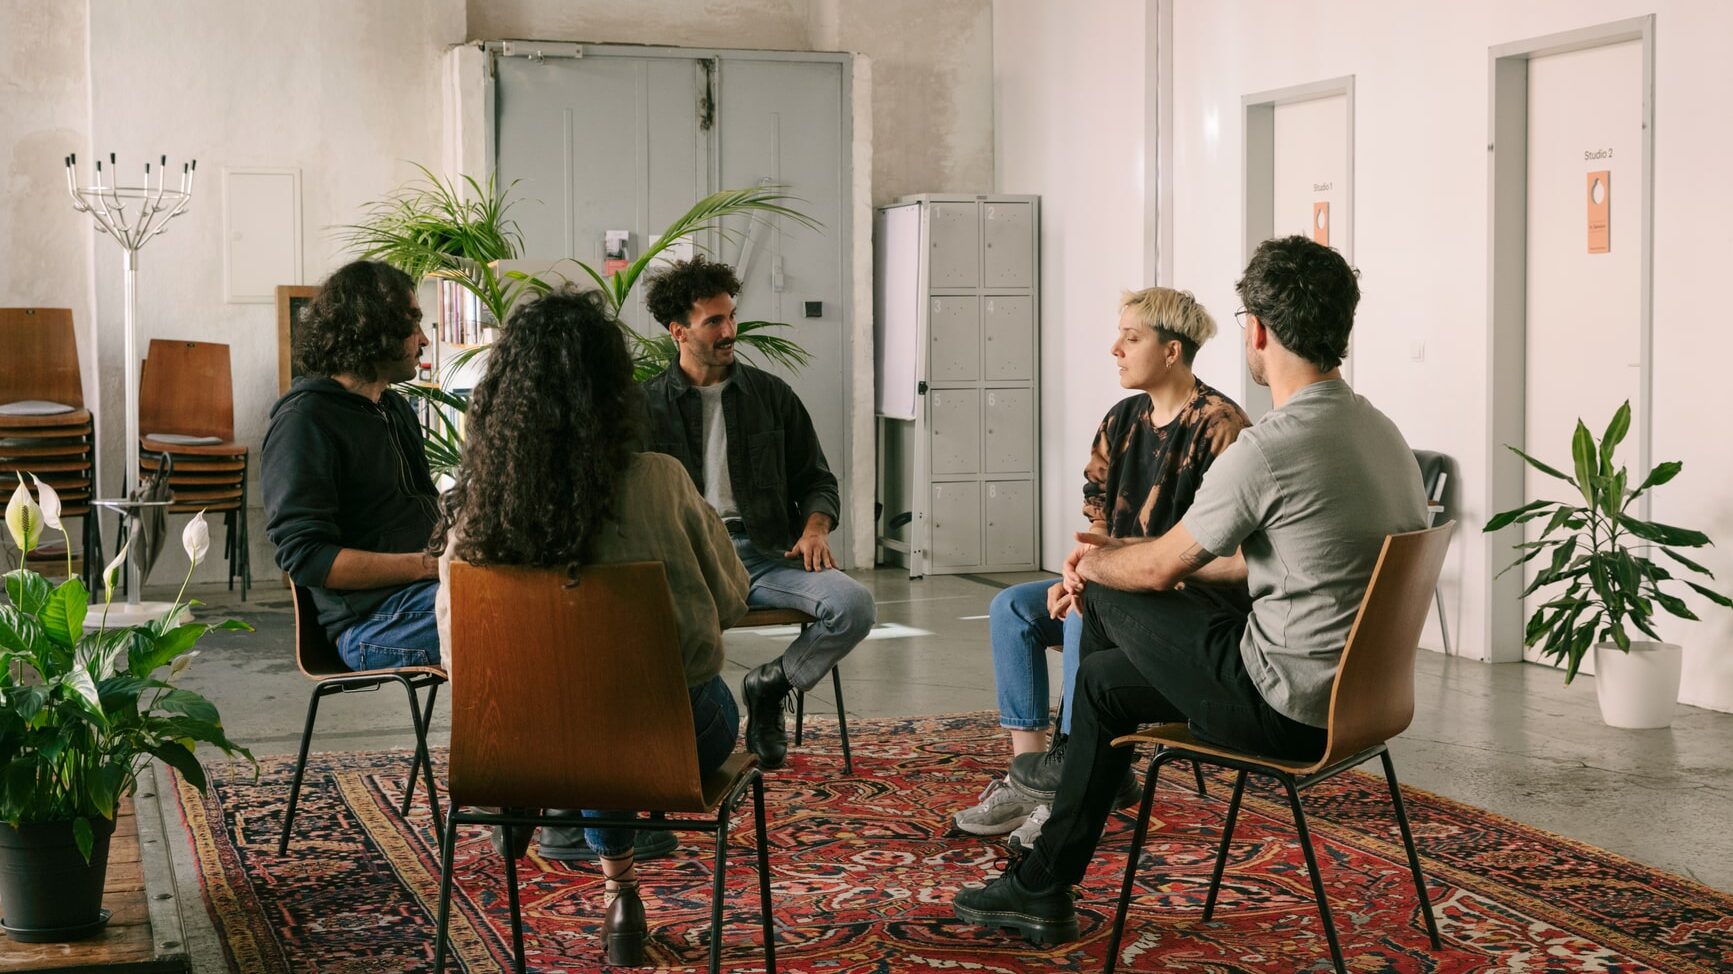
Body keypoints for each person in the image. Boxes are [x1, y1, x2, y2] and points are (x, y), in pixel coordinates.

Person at [952, 235, 1429, 944]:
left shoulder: (1269, 446)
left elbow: (1154, 573)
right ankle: (1041, 882)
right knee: (1104, 687)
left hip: (1283, 706)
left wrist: (1090, 568)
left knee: (1114, 593)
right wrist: (1125, 557)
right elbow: (1254, 562)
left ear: (1257, 331)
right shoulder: (1379, 432)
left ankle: (1084, 784)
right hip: (1362, 702)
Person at [432, 287, 749, 967]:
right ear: (612, 386)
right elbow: (728, 601)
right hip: (667, 745)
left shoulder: (478, 510)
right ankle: (624, 895)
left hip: (513, 748)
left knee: (575, 713)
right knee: (644, 705)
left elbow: (457, 653)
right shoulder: (661, 480)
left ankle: (543, 810)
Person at [952, 288, 1249, 850]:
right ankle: (1032, 776)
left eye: (1131, 338)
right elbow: (1096, 522)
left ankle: (1072, 780)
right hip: (1113, 585)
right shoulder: (1122, 419)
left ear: (1171, 351)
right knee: (1011, 608)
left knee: (1085, 613)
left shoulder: (1221, 425)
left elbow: (1226, 548)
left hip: (1187, 604)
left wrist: (1093, 580)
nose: (1115, 349)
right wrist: (1078, 571)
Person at [641, 255, 876, 770]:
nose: (730, 331)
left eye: (731, 317)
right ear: (679, 331)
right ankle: (673, 743)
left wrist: (815, 528)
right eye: (714, 322)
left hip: (765, 553)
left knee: (854, 605)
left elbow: (817, 479)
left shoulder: (772, 396)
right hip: (684, 563)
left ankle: (770, 687)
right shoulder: (643, 407)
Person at [262, 260, 440, 670]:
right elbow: (308, 557)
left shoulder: (394, 409)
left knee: (534, 590)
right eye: (412, 324)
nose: (423, 340)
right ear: (372, 329)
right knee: (512, 608)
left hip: (417, 600)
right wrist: (426, 566)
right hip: (369, 625)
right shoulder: (305, 421)